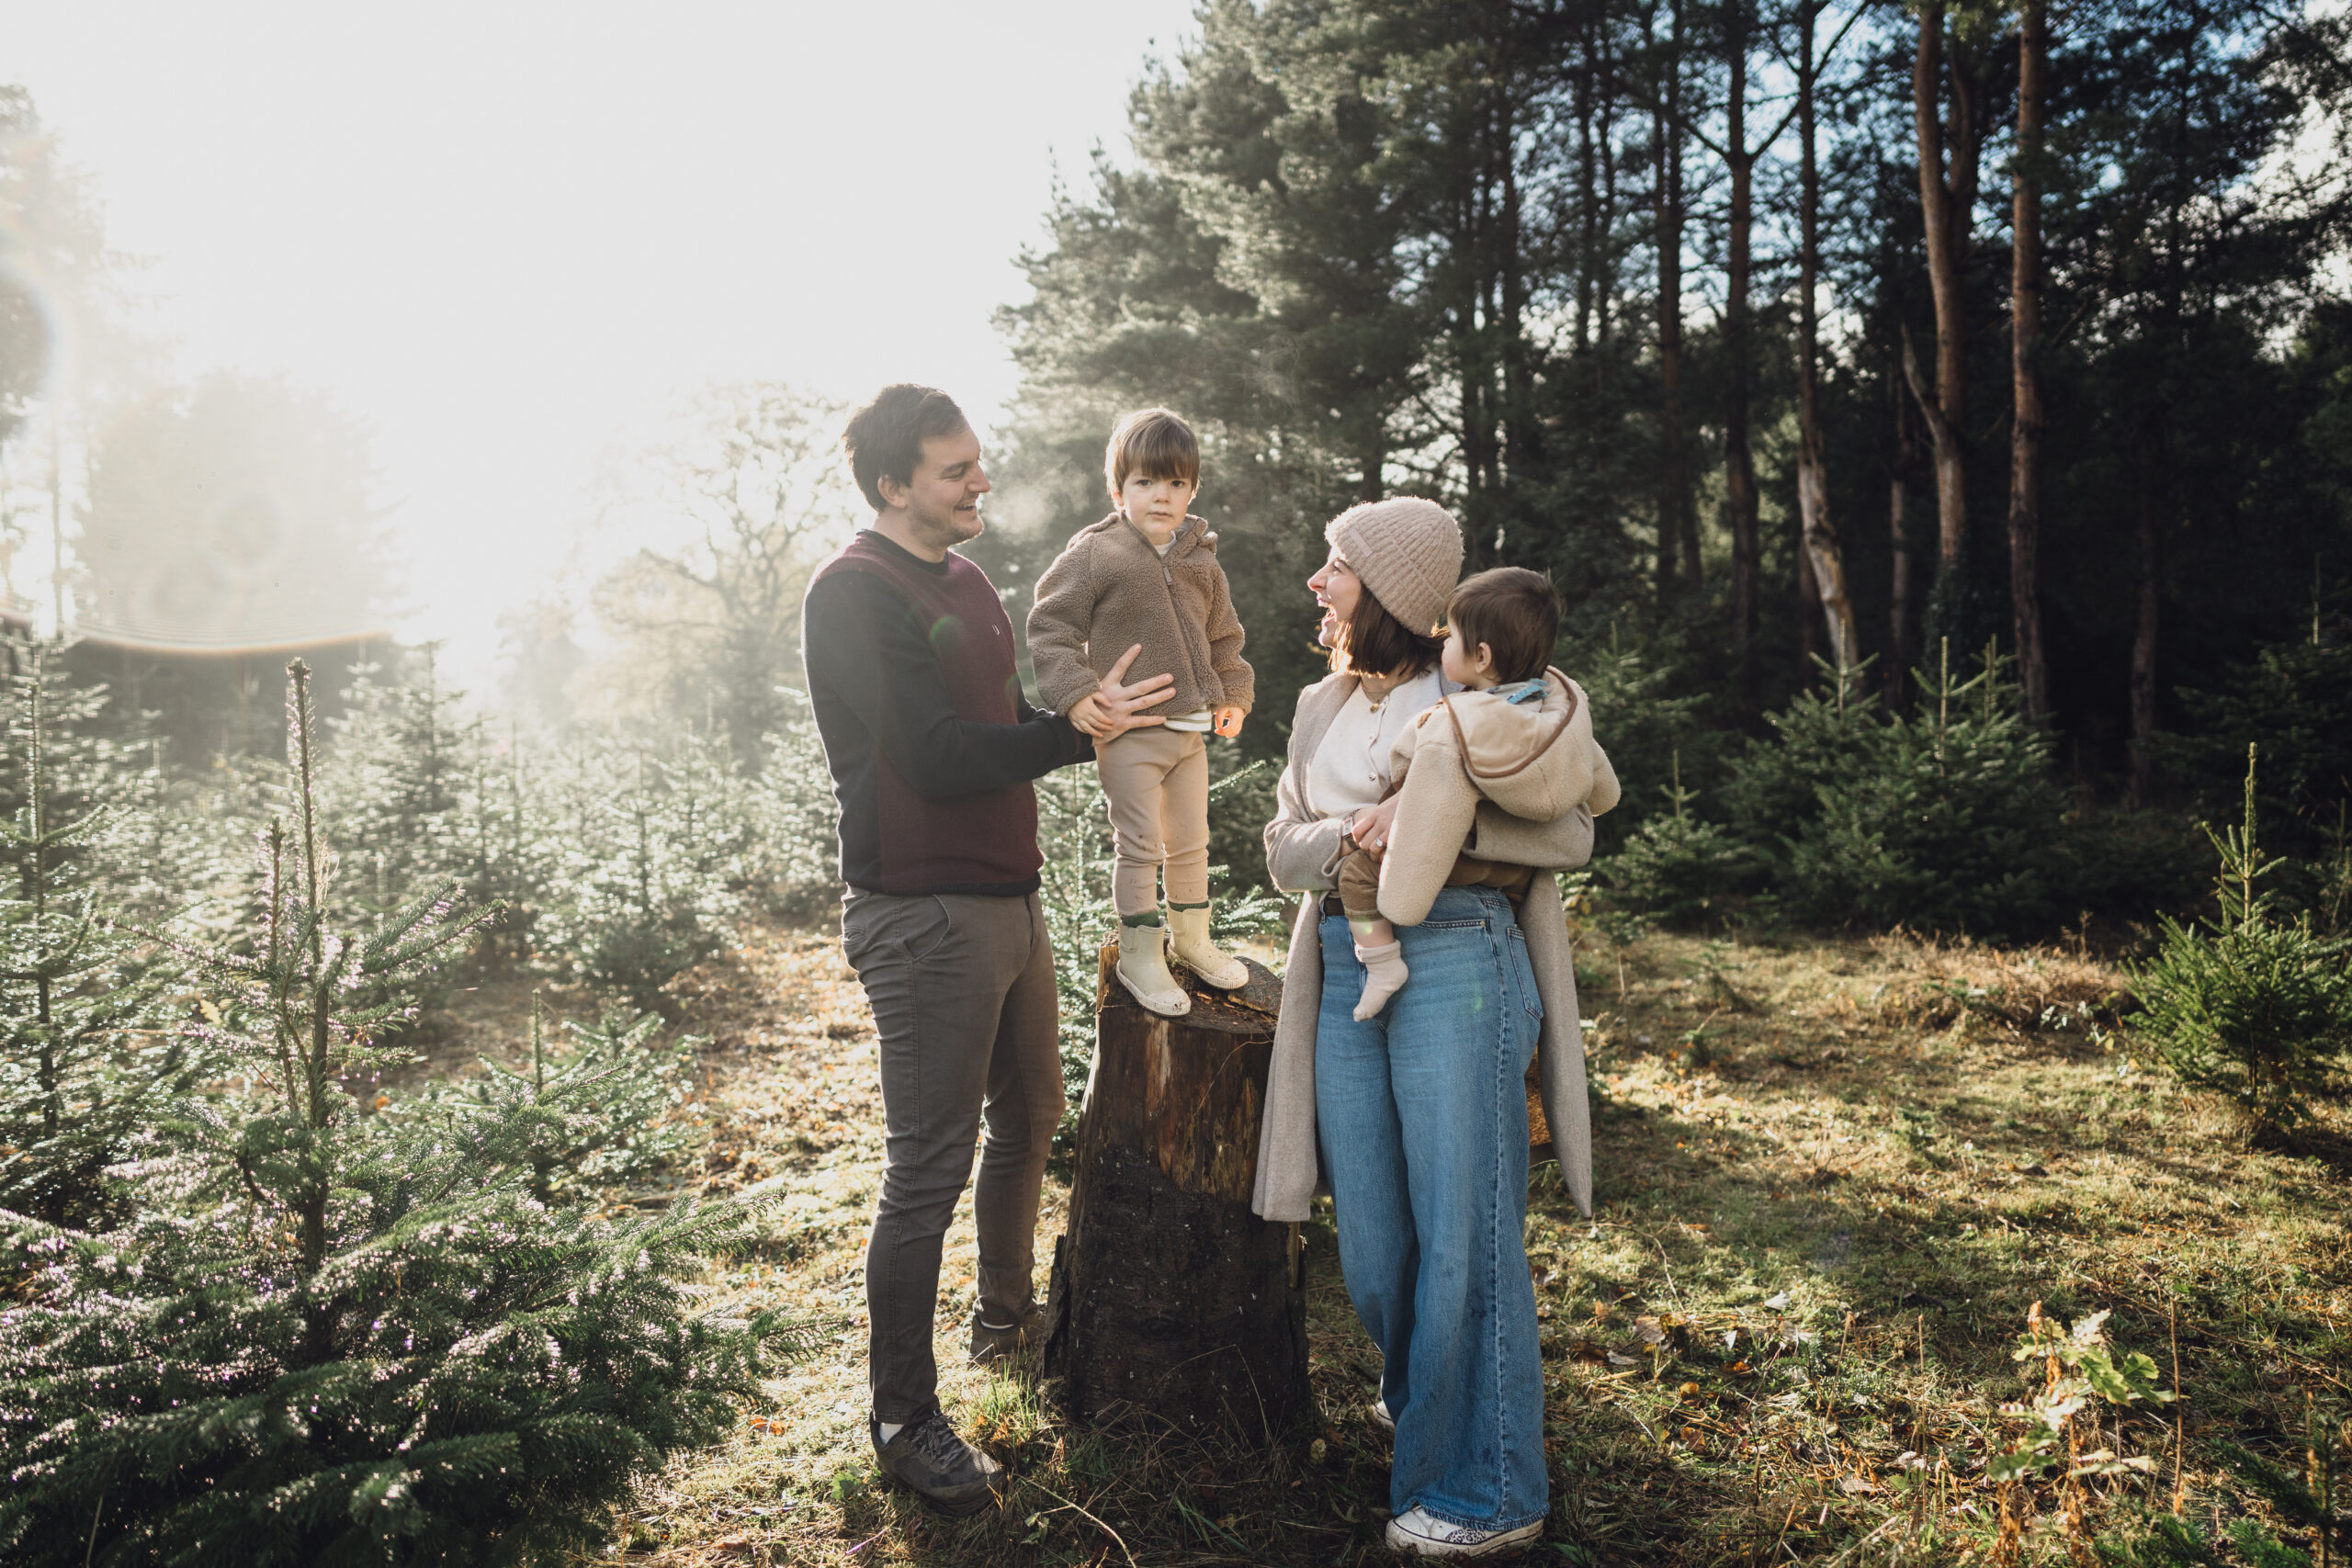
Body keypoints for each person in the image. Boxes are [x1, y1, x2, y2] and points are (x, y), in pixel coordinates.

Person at [800, 384, 1171, 1516]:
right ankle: (904, 1417)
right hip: (923, 914)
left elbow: (1003, 713)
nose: (980, 483)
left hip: (1010, 900)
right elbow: (932, 753)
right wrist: (1073, 734)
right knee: (927, 1165)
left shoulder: (965, 581)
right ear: (892, 484)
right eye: (956, 469)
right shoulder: (853, 593)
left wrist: (1077, 710)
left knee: (1032, 1120)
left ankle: (1004, 1317)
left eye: (978, 463)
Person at [1250, 498, 1616, 1561]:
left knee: (1466, 1227)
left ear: (1395, 594)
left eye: (1336, 567)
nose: (1318, 583)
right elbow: (1280, 846)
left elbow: (1575, 826)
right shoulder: (1321, 705)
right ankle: (1425, 1404)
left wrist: (1423, 830)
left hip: (1460, 959)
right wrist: (1346, 841)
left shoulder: (1487, 691)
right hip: (1341, 960)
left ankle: (1490, 1485)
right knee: (1370, 1238)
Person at [1026, 408, 1255, 1016]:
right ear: (1119, 487)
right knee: (1140, 844)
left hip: (1189, 735)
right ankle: (1140, 953)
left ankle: (1192, 940)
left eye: (1176, 483)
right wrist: (1077, 693)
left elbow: (1225, 637)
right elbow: (1051, 627)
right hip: (1129, 735)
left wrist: (1233, 692)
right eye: (1147, 482)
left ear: (1192, 489)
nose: (1162, 495)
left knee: (1190, 840)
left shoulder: (1201, 558)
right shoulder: (1097, 553)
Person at [1334, 567, 1615, 1021]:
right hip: (1518, 873)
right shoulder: (1557, 705)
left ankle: (1381, 964)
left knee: (1356, 876)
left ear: (1481, 656)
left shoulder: (1457, 726)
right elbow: (1603, 789)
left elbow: (1437, 811)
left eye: (1451, 635)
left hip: (1457, 859)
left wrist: (1401, 895)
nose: (1442, 641)